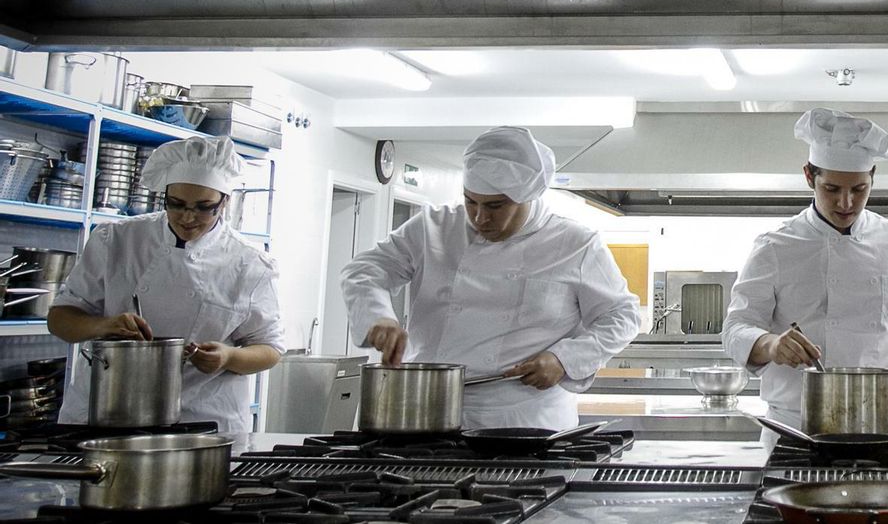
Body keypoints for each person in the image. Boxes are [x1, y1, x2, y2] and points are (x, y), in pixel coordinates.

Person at [342, 126, 640, 430]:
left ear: (529, 195)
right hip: (429, 407)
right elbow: (365, 270)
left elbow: (622, 315)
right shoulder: (434, 227)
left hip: (525, 417)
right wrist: (378, 317)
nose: (480, 217)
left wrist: (565, 359)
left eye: (496, 205)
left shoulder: (575, 243)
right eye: (471, 201)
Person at [722, 108, 888, 443]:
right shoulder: (775, 245)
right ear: (809, 177)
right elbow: (736, 326)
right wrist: (770, 345)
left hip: (878, 423)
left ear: (872, 178)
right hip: (795, 427)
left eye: (859, 189)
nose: (845, 202)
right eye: (831, 189)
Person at [50, 136, 285, 437]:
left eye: (204, 207)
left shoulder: (249, 263)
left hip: (200, 420)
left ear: (224, 202)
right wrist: (103, 325)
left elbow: (270, 349)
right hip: (105, 413)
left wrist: (228, 357)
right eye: (176, 204)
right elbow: (59, 321)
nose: (187, 217)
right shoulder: (116, 240)